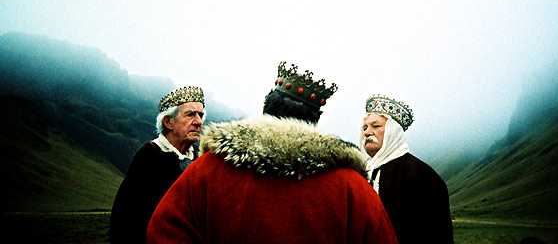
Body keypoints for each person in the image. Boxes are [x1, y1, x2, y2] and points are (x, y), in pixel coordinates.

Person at [145, 62, 399, 244]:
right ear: (315, 121)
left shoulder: (207, 170)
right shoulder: (351, 187)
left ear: (266, 109)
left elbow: (163, 232)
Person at [110, 86, 206, 244]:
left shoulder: (200, 157)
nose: (198, 122)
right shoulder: (149, 156)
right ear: (168, 122)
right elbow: (125, 217)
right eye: (190, 114)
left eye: (200, 115)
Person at [360, 94, 454, 243]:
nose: (366, 132)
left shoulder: (419, 174)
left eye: (376, 126)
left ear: (393, 132)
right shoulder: (360, 173)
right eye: (365, 127)